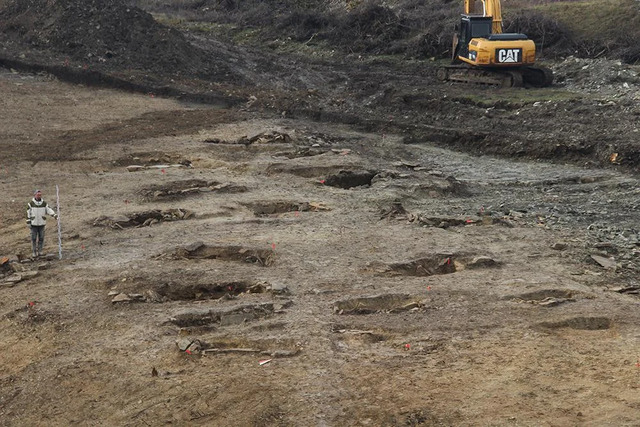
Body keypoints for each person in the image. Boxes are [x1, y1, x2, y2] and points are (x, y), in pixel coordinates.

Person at [26, 190, 57, 258]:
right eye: (38, 195)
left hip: (41, 223)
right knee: (33, 238)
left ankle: (40, 251)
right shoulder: (30, 204)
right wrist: (28, 221)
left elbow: (48, 210)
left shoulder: (44, 203)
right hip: (33, 224)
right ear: (35, 195)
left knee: (41, 238)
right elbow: (28, 212)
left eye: (40, 195)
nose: (39, 196)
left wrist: (54, 215)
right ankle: (34, 252)